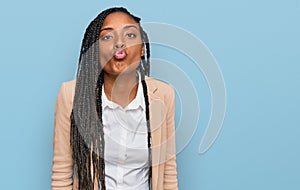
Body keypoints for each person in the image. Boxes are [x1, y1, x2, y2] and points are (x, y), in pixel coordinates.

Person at [51, 7, 178, 190]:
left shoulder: (164, 95)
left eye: (130, 35)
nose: (119, 43)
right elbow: (61, 174)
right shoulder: (71, 95)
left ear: (142, 49)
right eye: (107, 37)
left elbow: (168, 173)